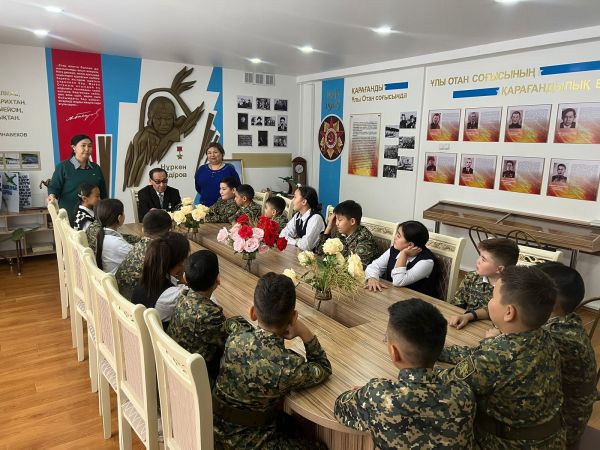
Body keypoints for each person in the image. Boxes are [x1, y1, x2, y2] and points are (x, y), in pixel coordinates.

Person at [439, 266, 565, 449]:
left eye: (492, 297)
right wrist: (441, 351)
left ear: (509, 312)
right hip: (552, 440)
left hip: (509, 443)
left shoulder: (495, 356)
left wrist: (417, 353)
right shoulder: (543, 336)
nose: (489, 302)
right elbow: (483, 357)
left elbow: (444, 384)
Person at [334, 299, 476, 449]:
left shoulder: (377, 395)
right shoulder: (464, 394)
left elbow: (339, 408)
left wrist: (367, 393)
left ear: (393, 352)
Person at [212, 273, 332, 449]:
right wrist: (303, 331)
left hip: (214, 432)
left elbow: (234, 323)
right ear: (294, 317)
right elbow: (323, 367)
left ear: (253, 313)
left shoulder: (235, 338)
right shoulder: (288, 365)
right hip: (251, 443)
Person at [538, 262, 596, 449]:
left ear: (550, 301)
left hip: (563, 427)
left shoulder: (558, 336)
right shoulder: (567, 321)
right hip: (564, 411)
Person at [167, 250, 227, 382]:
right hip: (196, 381)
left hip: (172, 368)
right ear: (218, 279)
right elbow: (228, 345)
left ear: (185, 277)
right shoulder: (212, 316)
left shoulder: (182, 298)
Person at [448, 238, 519, 329]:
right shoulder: (471, 277)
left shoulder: (511, 289)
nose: (478, 261)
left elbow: (496, 314)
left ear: (500, 269)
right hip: (464, 326)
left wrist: (469, 316)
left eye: (483, 259)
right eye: (480, 256)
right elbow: (456, 304)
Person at [131, 232, 190, 329]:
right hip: (157, 337)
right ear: (182, 261)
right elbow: (206, 303)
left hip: (140, 332)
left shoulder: (147, 278)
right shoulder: (172, 295)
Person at [365, 221, 439, 297]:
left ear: (410, 245)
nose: (395, 237)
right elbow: (374, 266)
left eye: (399, 236)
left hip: (417, 301)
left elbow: (398, 281)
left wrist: (404, 254)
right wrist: (372, 278)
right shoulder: (395, 249)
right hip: (392, 295)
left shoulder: (426, 261)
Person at [47, 134, 107, 221]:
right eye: (83, 145)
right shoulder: (63, 167)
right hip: (69, 216)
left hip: (93, 216)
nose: (87, 149)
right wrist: (52, 196)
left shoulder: (96, 168)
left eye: (89, 146)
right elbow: (54, 187)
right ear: (74, 147)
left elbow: (103, 193)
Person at [115, 209, 173, 300]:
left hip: (120, 295)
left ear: (143, 229)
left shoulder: (140, 244)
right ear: (170, 230)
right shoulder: (158, 251)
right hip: (134, 301)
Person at [315, 200, 378, 267]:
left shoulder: (365, 240)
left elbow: (353, 268)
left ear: (352, 221)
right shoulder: (341, 233)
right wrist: (329, 227)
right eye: (336, 219)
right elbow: (319, 253)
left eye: (340, 220)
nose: (336, 223)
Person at [279, 186, 325, 251]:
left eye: (295, 197)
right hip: (303, 254)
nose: (292, 200)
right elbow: (282, 235)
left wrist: (295, 241)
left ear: (304, 202)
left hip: (316, 256)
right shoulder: (297, 216)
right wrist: (296, 242)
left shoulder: (316, 218)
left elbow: (306, 246)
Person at [194, 142, 240, 207]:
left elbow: (238, 188)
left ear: (222, 154)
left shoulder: (229, 169)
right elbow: (198, 188)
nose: (212, 155)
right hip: (204, 208)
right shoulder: (202, 169)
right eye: (209, 153)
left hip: (226, 208)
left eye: (215, 152)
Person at [95, 199, 132, 275]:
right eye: (123, 212)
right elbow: (140, 257)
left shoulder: (102, 234)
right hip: (117, 280)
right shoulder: (117, 243)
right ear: (119, 218)